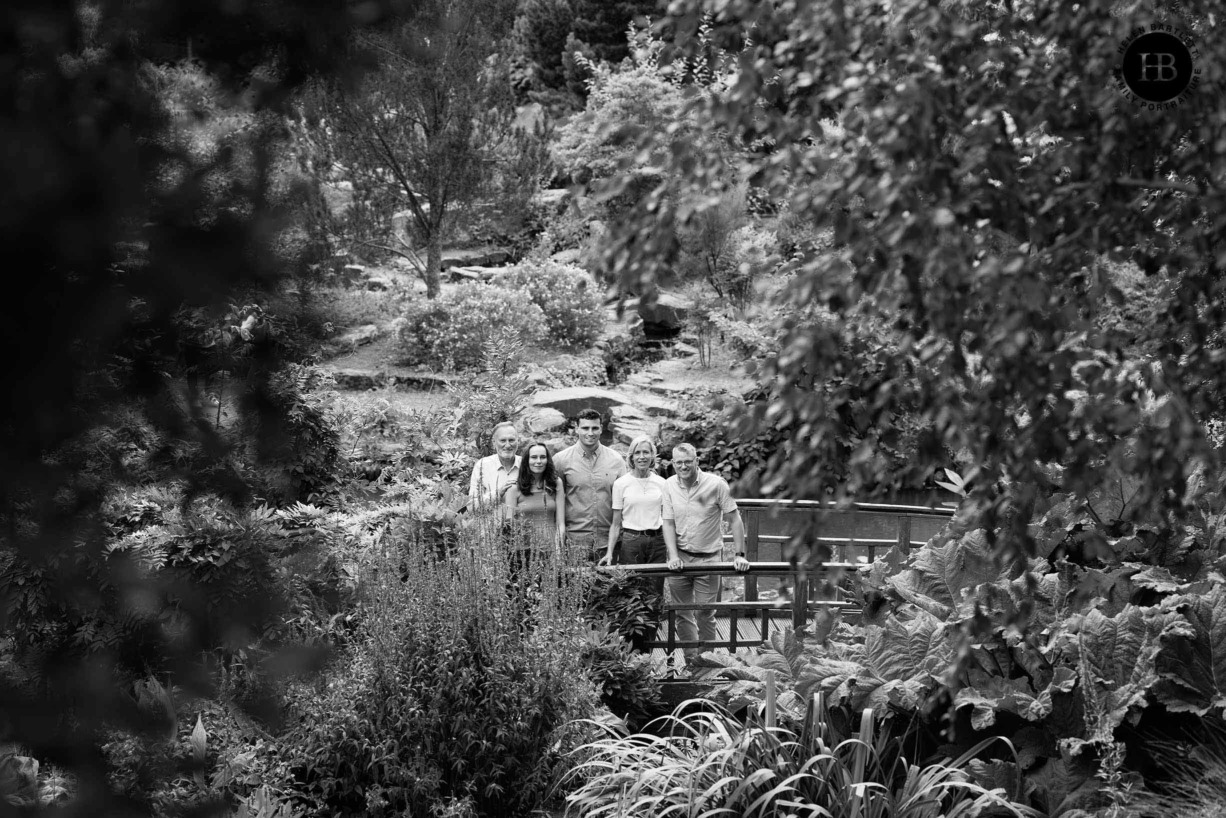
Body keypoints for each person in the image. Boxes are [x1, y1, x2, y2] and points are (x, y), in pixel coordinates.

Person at [663, 443, 751, 669]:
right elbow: (668, 522)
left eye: (687, 461)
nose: (683, 466)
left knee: (705, 613)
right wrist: (672, 555)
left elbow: (735, 519)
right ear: (673, 463)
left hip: (710, 558)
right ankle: (692, 662)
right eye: (678, 462)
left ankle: (707, 664)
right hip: (681, 557)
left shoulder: (716, 484)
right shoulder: (669, 485)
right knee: (682, 613)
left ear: (696, 461)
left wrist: (739, 555)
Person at [601, 435, 682, 651]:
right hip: (631, 540)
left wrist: (673, 552)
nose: (642, 456)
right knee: (631, 594)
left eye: (646, 452)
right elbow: (616, 523)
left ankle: (648, 648)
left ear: (653, 456)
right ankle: (631, 649)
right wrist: (610, 552)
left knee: (654, 595)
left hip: (657, 541)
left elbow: (668, 519)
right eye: (637, 452)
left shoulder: (662, 483)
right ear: (631, 456)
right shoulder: (621, 484)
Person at [553, 408, 627, 560]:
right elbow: (555, 500)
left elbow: (624, 500)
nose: (590, 433)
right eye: (585, 428)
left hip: (608, 543)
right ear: (577, 429)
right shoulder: (561, 460)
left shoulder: (616, 460)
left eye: (595, 428)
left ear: (601, 429)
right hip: (574, 542)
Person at [502, 441, 566, 548]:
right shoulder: (514, 488)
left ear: (547, 460)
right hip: (525, 550)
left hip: (552, 547)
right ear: (527, 461)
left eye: (542, 457)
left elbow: (560, 524)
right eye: (534, 457)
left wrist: (558, 550)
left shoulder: (556, 483)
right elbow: (510, 526)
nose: (539, 461)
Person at [468, 421, 520, 510]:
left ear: (518, 441)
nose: (507, 445)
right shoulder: (482, 466)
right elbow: (471, 506)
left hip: (521, 522)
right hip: (491, 522)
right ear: (494, 442)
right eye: (503, 440)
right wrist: (498, 493)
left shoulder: (527, 464)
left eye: (511, 440)